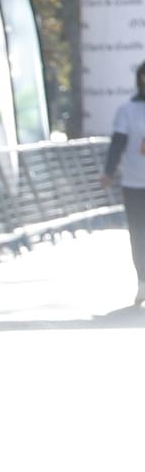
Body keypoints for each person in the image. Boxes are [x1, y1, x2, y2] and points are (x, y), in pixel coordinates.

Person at [101, 59, 145, 306]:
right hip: (135, 183)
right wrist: (108, 171)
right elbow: (118, 143)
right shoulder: (127, 110)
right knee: (139, 234)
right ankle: (142, 280)